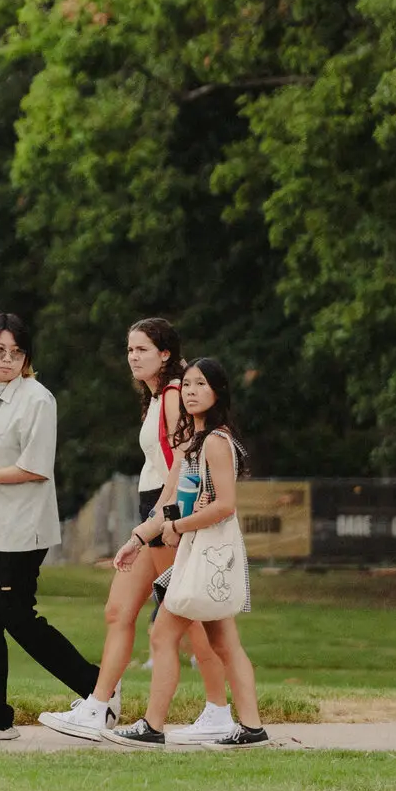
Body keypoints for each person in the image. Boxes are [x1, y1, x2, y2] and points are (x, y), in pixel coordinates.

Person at [43, 318, 233, 742]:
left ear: (165, 354)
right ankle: (98, 706)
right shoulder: (157, 398)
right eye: (129, 349)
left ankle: (219, 709)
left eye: (142, 349)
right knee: (118, 610)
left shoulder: (173, 395)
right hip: (153, 512)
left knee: (190, 618)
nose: (133, 356)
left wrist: (163, 519)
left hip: (167, 514)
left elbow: (183, 461)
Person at [0, 312, 101, 740]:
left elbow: (35, 467)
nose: (7, 359)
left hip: (21, 528)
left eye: (15, 352)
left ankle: (98, 689)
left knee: (17, 616)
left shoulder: (38, 400)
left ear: (27, 355)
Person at [108, 358, 269, 747]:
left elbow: (225, 505)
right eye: (189, 385)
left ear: (218, 392)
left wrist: (178, 527)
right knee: (224, 643)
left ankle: (152, 726)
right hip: (198, 555)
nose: (192, 391)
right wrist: (137, 540)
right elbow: (170, 503)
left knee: (163, 634)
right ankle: (252, 728)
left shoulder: (215, 442)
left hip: (206, 557)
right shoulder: (193, 444)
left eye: (201, 385)